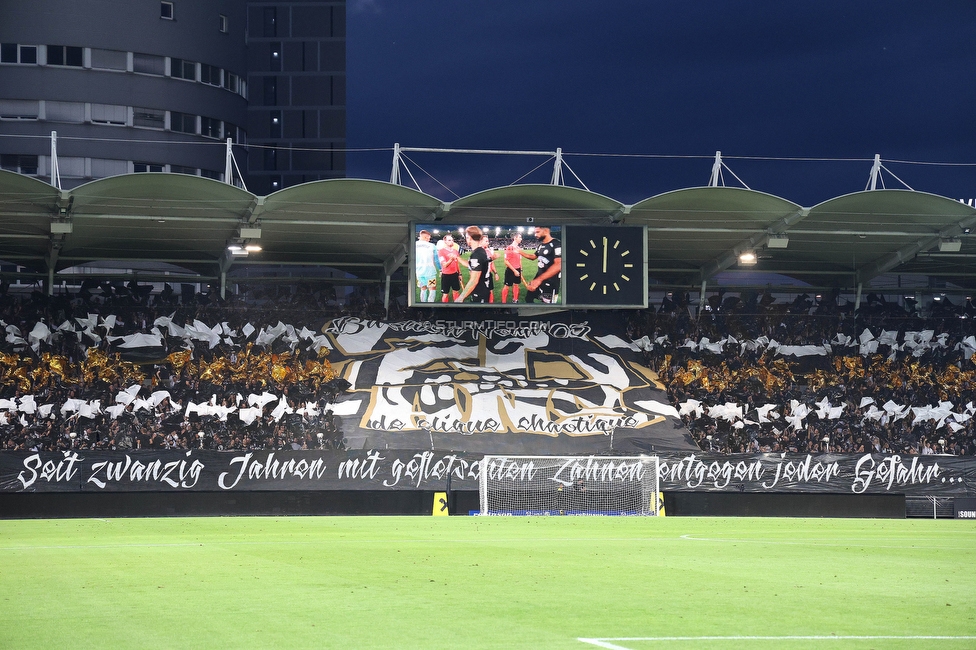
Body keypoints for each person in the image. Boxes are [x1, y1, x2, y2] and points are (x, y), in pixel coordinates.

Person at [521, 226, 561, 303]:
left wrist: (539, 280)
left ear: (546, 231)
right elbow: (533, 257)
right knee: (528, 299)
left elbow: (559, 265)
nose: (535, 235)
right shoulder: (540, 245)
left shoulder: (557, 244)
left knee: (547, 305)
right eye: (535, 232)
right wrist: (520, 251)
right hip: (538, 279)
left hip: (551, 282)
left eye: (537, 232)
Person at [455, 226, 492, 303]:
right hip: (483, 288)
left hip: (480, 290)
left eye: (466, 237)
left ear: (469, 237)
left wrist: (461, 298)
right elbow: (471, 265)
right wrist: (458, 258)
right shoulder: (480, 250)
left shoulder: (476, 254)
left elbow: (474, 280)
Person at [437, 234, 464, 302]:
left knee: (456, 292)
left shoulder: (455, 251)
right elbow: (444, 265)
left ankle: (456, 307)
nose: (452, 241)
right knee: (445, 294)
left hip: (455, 274)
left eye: (452, 240)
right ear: (445, 241)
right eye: (449, 240)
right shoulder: (441, 251)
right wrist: (451, 259)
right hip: (446, 275)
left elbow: (457, 263)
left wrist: (459, 274)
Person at [415, 230, 438, 302]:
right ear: (425, 237)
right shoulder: (432, 246)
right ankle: (430, 305)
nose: (429, 240)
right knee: (432, 288)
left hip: (419, 272)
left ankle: (423, 304)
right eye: (428, 238)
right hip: (430, 272)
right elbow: (436, 259)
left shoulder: (413, 245)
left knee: (423, 288)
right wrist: (440, 269)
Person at [501, 232, 525, 303]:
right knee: (507, 286)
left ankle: (515, 299)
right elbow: (506, 261)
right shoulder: (509, 248)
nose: (521, 239)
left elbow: (520, 260)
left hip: (518, 269)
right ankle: (503, 303)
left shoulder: (518, 248)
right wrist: (514, 271)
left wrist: (521, 268)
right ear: (515, 238)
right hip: (511, 270)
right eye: (520, 237)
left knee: (516, 285)